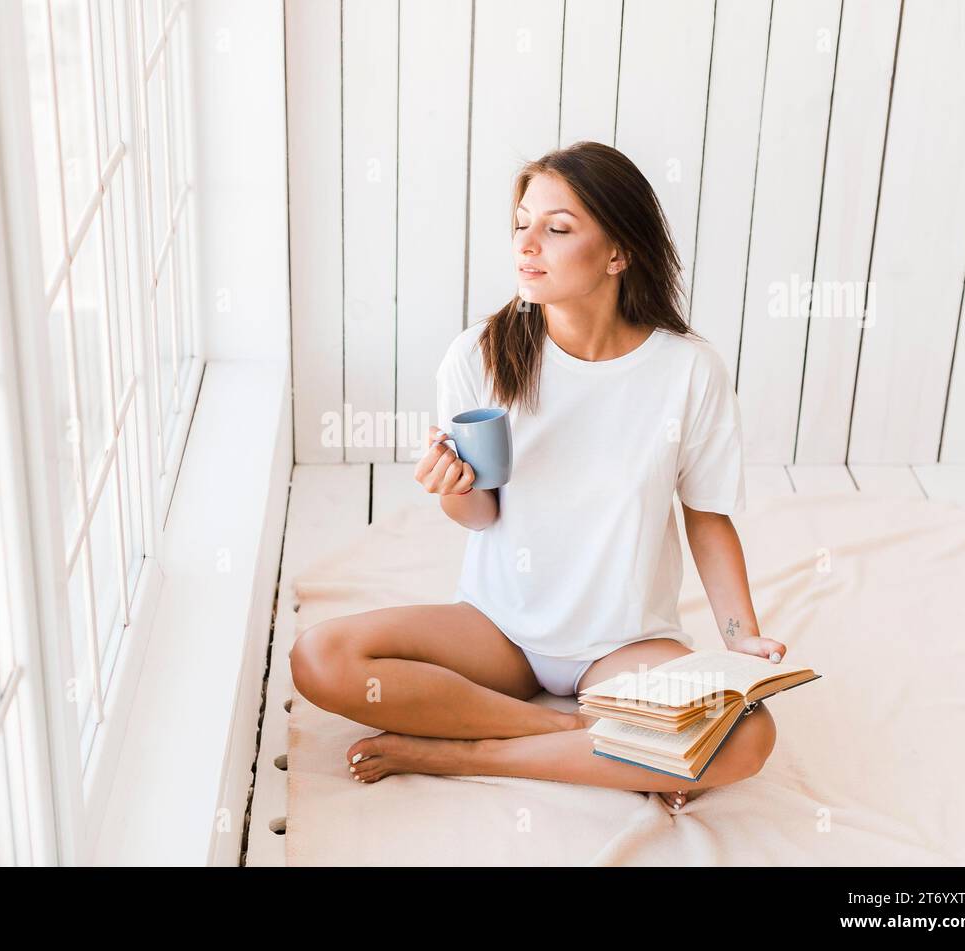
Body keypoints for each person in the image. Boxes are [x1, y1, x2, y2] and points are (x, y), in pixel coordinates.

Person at [290, 141, 785, 813]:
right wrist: (455, 490)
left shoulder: (687, 370)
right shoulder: (480, 355)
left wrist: (738, 639)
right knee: (320, 657)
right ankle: (570, 735)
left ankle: (462, 752)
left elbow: (705, 513)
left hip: (625, 644)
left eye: (557, 228)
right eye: (521, 224)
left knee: (745, 736)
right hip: (500, 632)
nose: (528, 245)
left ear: (619, 253)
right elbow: (482, 516)